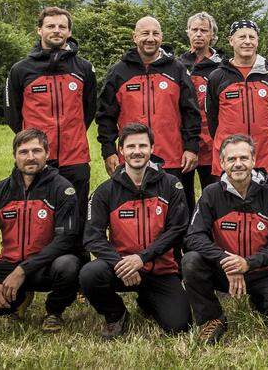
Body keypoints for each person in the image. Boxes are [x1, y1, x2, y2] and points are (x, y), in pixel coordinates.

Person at [0, 129, 81, 332]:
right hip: (7, 265)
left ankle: (54, 311)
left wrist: (23, 270)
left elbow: (66, 240)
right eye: (24, 152)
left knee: (69, 265)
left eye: (36, 151)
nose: (30, 157)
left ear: (47, 153)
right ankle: (15, 301)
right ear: (15, 156)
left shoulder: (63, 189)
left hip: (44, 267)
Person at [183, 134, 268, 344]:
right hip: (222, 270)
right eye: (232, 159)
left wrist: (247, 263)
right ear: (222, 163)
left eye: (244, 158)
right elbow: (194, 236)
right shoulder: (210, 194)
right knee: (190, 261)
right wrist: (228, 262)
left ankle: (258, 300)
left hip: (261, 270)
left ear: (254, 161)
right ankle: (213, 318)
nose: (238, 164)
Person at [80, 123, 191, 339]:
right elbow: (92, 237)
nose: (137, 151)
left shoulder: (171, 185)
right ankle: (116, 314)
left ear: (152, 148)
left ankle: (147, 299)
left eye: (143, 145)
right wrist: (120, 263)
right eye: (131, 146)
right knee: (89, 274)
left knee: (179, 326)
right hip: (120, 268)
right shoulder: (104, 192)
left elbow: (178, 229)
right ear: (121, 150)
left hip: (161, 270)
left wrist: (142, 258)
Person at [5, 6, 96, 251]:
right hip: (37, 159)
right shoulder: (21, 70)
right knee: (38, 216)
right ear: (39, 30)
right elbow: (13, 115)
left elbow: (89, 110)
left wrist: (71, 133)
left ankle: (76, 271)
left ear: (69, 32)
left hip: (74, 157)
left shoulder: (84, 68)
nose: (56, 30)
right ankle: (36, 268)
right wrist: (33, 143)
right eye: (51, 26)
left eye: (62, 27)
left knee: (76, 216)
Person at [96, 16, 202, 211]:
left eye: (155, 33)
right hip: (133, 158)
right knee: (136, 211)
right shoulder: (118, 72)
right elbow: (105, 116)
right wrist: (108, 150)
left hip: (173, 158)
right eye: (145, 33)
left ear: (161, 37)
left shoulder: (177, 69)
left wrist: (191, 147)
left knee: (179, 212)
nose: (150, 38)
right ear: (134, 37)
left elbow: (191, 112)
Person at [205, 20, 268, 183]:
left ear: (257, 40)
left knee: (266, 207)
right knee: (228, 207)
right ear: (231, 40)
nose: (247, 41)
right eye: (242, 37)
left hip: (265, 157)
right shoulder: (217, 77)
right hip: (230, 159)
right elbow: (212, 119)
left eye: (252, 37)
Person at [180, 12, 222, 189]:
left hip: (212, 145)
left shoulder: (222, 67)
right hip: (182, 144)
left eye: (204, 30)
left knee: (213, 196)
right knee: (182, 201)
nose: (198, 34)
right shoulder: (178, 65)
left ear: (212, 35)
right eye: (194, 29)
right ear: (188, 32)